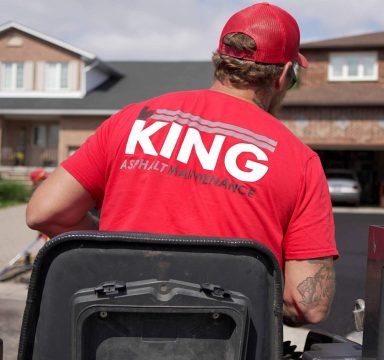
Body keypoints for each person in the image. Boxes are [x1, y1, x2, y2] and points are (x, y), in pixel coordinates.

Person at [26, 2, 338, 326]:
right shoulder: (300, 161)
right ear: (284, 75)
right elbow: (307, 305)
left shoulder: (136, 119)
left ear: (219, 60)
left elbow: (45, 211)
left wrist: (110, 248)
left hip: (114, 337)